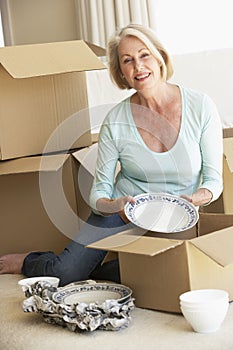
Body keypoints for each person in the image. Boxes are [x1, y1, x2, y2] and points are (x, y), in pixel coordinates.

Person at [0, 24, 223, 286]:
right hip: (125, 212)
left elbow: (213, 180)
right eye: (127, 61)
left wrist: (194, 199)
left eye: (144, 55)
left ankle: (101, 266)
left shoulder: (200, 106)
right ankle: (30, 261)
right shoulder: (115, 120)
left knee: (166, 277)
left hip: (177, 217)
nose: (138, 66)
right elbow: (99, 193)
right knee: (66, 274)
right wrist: (117, 205)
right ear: (122, 73)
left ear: (160, 57)